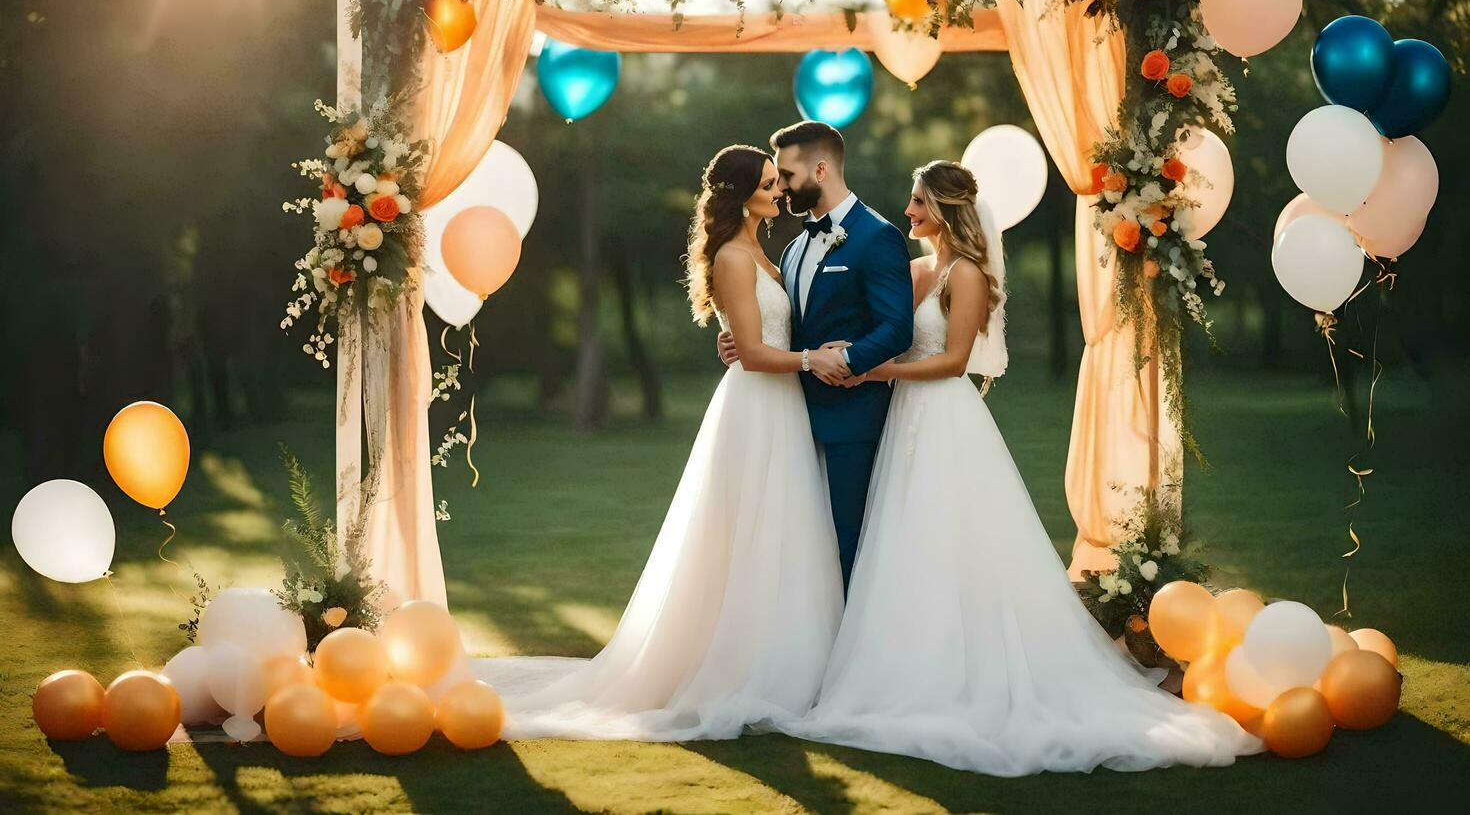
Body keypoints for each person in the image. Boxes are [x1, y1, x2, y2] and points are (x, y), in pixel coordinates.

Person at [780, 160, 1263, 775]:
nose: (908, 214)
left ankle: (974, 666)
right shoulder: (917, 268)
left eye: (919, 204)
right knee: (907, 543)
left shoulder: (969, 276)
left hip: (943, 417)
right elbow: (869, 318)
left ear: (947, 209)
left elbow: (954, 362)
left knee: (956, 538)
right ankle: (913, 662)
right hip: (905, 418)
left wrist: (876, 371)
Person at [473, 146, 843, 740]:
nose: (779, 192)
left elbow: (754, 336)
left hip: (782, 402)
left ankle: (790, 661)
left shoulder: (761, 251)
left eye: (778, 182)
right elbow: (750, 351)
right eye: (769, 184)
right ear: (740, 193)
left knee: (784, 533)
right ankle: (742, 669)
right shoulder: (731, 256)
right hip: (758, 406)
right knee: (749, 535)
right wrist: (812, 358)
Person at [719, 120, 914, 592]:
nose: (781, 188)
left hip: (851, 418)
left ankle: (854, 658)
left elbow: (897, 327)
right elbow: (781, 326)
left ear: (820, 169)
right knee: (798, 550)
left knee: (849, 543)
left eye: (785, 175)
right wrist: (738, 342)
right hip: (787, 420)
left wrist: (848, 363)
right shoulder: (791, 248)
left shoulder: (877, 236)